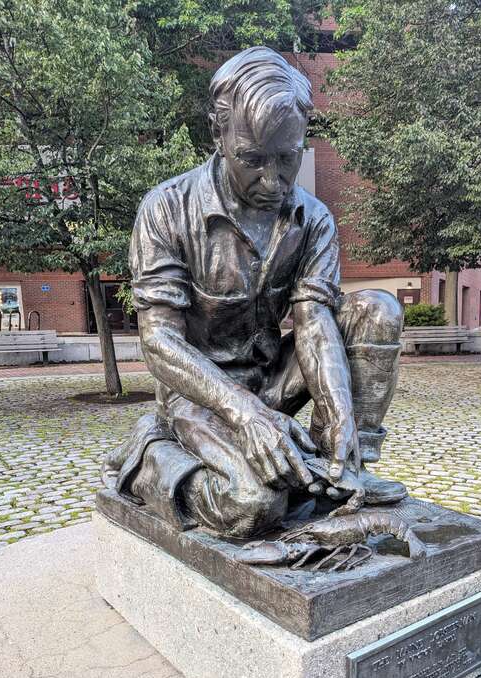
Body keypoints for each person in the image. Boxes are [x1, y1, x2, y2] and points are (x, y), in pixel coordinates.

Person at [104, 47, 405, 538]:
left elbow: (314, 323)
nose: (274, 179)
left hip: (270, 382)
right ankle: (149, 459)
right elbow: (159, 343)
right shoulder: (166, 209)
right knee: (253, 506)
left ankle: (346, 465)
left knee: (375, 310)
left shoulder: (313, 220)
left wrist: (341, 413)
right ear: (217, 135)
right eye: (253, 159)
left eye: (288, 158)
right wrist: (244, 415)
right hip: (198, 395)